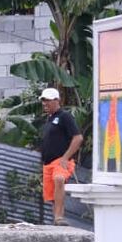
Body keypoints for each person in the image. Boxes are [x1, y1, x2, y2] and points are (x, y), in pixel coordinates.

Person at [38, 87, 83, 226]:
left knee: (59, 179)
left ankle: (59, 217)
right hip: (48, 163)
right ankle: (56, 221)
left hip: (60, 161)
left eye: (48, 101)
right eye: (43, 101)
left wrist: (65, 157)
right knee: (51, 195)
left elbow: (78, 138)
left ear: (57, 100)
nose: (45, 103)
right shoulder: (49, 119)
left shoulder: (64, 116)